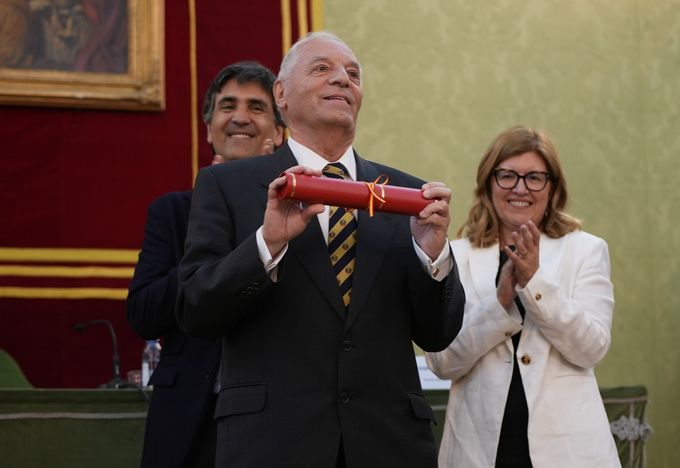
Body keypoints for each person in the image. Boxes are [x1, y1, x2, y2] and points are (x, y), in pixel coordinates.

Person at [176, 32, 465, 468]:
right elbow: (195, 309)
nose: (343, 80)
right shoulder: (227, 186)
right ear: (281, 95)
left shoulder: (407, 194)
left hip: (389, 445)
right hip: (272, 443)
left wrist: (432, 257)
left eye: (353, 74)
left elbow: (438, 333)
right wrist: (267, 243)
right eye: (321, 69)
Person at [426, 125, 620, 468]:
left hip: (569, 452)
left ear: (552, 187)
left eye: (534, 178)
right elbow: (442, 363)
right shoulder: (457, 255)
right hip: (477, 452)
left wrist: (534, 282)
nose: (520, 188)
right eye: (507, 176)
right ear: (488, 183)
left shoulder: (585, 250)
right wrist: (498, 303)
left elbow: (591, 348)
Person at [127, 61, 285, 468]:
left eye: (256, 107)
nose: (239, 117)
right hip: (187, 419)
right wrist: (209, 229)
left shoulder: (299, 215)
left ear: (280, 133)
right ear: (209, 127)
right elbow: (144, 315)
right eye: (227, 105)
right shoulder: (173, 212)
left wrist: (254, 210)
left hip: (275, 420)